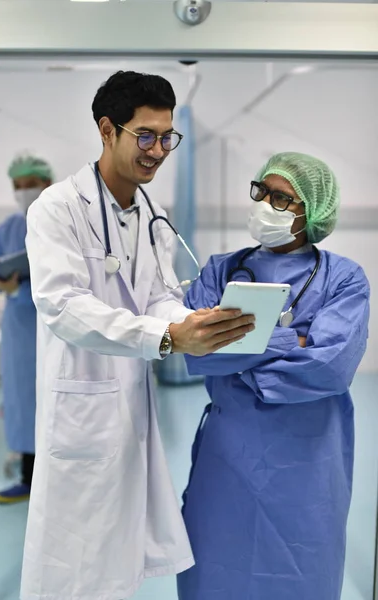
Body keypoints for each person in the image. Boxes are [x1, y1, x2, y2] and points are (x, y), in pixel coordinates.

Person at [20, 70, 255, 600]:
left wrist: (193, 319)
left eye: (167, 137)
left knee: (120, 560)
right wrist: (169, 336)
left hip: (129, 405)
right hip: (81, 407)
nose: (157, 150)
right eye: (144, 136)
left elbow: (157, 297)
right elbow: (63, 306)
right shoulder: (56, 210)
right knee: (73, 565)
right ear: (107, 130)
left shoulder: (152, 215)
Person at [177, 152, 370, 600]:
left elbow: (330, 366)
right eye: (261, 191)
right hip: (228, 455)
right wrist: (293, 340)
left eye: (281, 199)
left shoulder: (344, 279)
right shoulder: (220, 269)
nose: (265, 203)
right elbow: (198, 350)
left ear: (312, 212)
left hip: (307, 459)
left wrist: (243, 347)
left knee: (301, 568)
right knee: (215, 563)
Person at [0, 155, 53, 504]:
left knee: (52, 399)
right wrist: (1, 285)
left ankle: (55, 479)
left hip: (51, 324)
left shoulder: (58, 222)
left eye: (31, 185)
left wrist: (20, 290)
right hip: (18, 328)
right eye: (18, 187)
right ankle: (28, 477)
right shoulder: (9, 228)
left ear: (47, 184)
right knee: (23, 401)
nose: (25, 192)